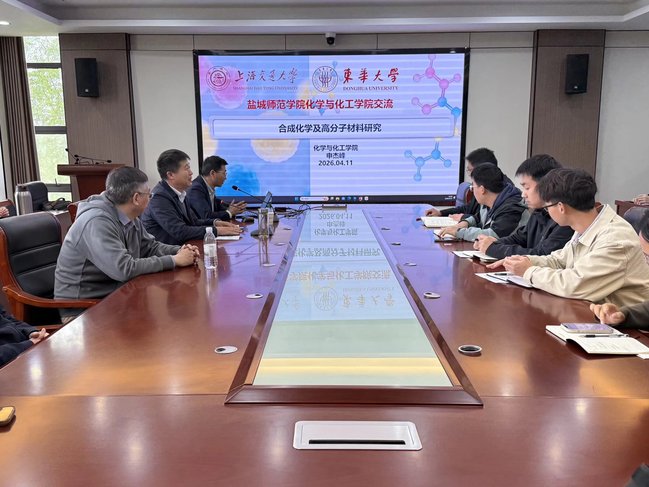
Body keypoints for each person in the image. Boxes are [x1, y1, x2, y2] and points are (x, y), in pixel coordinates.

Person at [55, 167, 199, 320]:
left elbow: (150, 247)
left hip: (114, 296)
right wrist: (174, 260)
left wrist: (179, 251)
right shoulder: (96, 222)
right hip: (82, 311)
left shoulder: (128, 215)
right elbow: (124, 269)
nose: (150, 198)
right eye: (148, 194)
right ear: (136, 198)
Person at [490, 168, 649, 307]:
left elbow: (575, 284)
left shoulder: (615, 239)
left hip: (623, 326)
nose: (547, 212)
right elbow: (559, 261)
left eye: (547, 207)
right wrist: (523, 261)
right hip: (589, 311)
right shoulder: (586, 225)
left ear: (561, 207)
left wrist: (528, 271)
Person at [474, 154, 573, 258]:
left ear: (546, 186)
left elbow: (542, 255)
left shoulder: (564, 218)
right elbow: (520, 238)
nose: (523, 194)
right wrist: (494, 242)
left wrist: (493, 249)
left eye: (527, 188)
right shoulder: (540, 211)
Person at [142, 149, 242, 245]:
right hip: (167, 254)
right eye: (187, 168)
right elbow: (180, 231)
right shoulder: (159, 198)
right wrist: (217, 231)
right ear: (171, 175)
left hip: (184, 249)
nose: (191, 172)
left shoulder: (181, 193)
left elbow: (194, 222)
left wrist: (216, 223)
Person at [438, 163, 525, 241]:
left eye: (473, 187)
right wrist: (465, 223)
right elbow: (478, 217)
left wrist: (459, 232)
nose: (472, 191)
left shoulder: (511, 207)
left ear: (482, 189)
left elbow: (493, 235)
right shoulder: (490, 202)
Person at [425, 147, 499, 220]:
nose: (470, 175)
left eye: (470, 170)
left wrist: (464, 218)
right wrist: (441, 213)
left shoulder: (499, 194)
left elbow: (481, 221)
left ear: (482, 170)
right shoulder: (480, 185)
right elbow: (468, 209)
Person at [187, 155, 247, 221]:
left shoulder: (207, 187)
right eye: (224, 173)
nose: (225, 178)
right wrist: (229, 213)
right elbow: (206, 216)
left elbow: (217, 207)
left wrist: (232, 208)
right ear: (212, 173)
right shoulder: (196, 189)